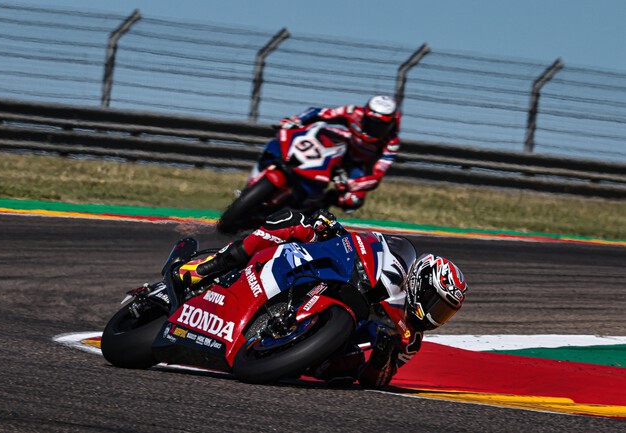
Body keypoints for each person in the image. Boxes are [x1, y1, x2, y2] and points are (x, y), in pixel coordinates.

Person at [182, 209, 468, 388]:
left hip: (328, 344)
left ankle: (284, 350)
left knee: (346, 373)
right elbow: (365, 243)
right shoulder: (396, 267)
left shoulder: (410, 340)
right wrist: (330, 227)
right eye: (437, 304)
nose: (436, 316)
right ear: (421, 283)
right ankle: (210, 266)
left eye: (444, 312)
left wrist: (382, 355)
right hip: (331, 277)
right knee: (295, 222)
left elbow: (376, 380)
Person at [249, 95, 402, 213]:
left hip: (356, 165)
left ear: (391, 124)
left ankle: (314, 208)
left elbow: (377, 175)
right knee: (285, 139)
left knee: (352, 200)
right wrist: (296, 120)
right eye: (371, 122)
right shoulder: (352, 112)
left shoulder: (391, 143)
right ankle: (261, 175)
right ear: (365, 115)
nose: (375, 128)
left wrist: (351, 184)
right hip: (340, 146)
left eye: (381, 126)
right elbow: (319, 112)